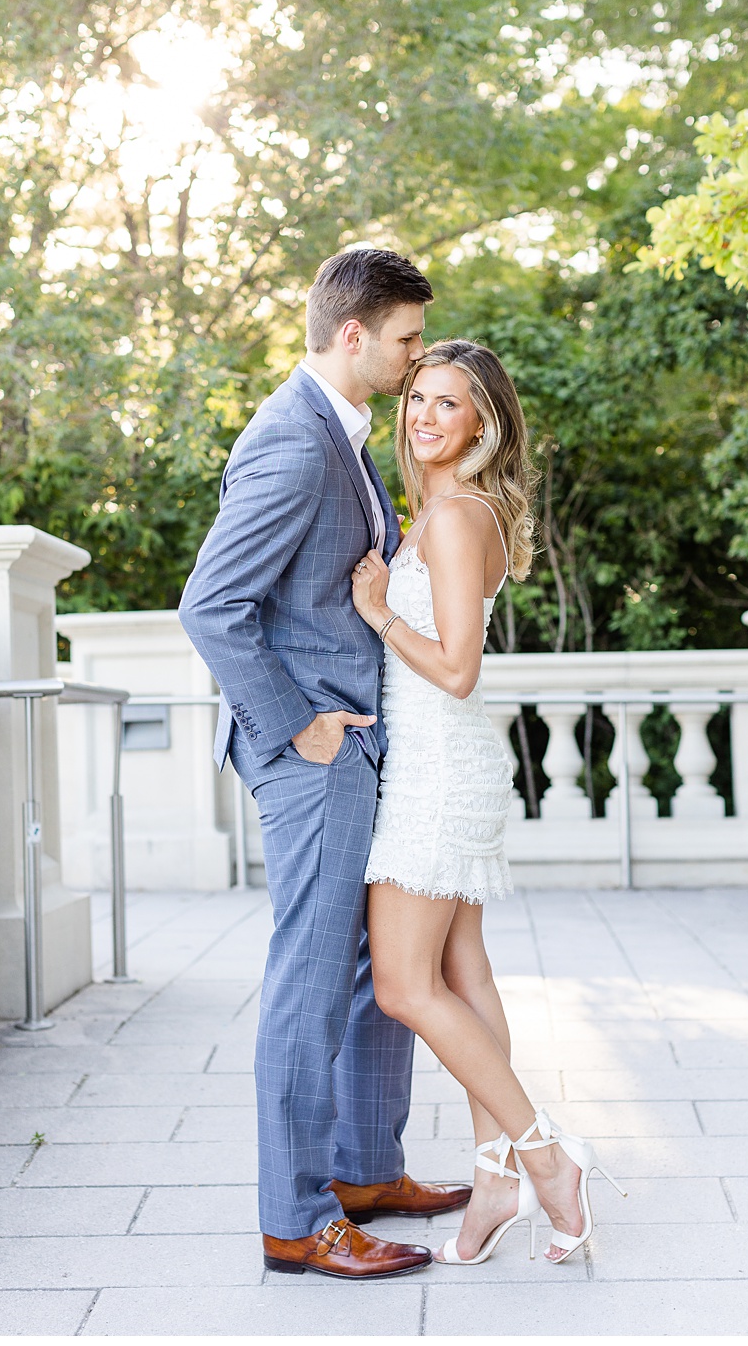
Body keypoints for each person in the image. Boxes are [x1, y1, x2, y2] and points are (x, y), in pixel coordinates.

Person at [178, 249, 473, 1281]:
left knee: (361, 965)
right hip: (315, 752)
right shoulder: (295, 445)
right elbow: (209, 606)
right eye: (404, 338)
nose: (414, 355)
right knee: (310, 975)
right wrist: (296, 725)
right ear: (353, 334)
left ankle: (365, 1168)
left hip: (359, 743)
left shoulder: (336, 435)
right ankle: (298, 1218)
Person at [350, 339, 627, 1267]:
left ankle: (546, 1160)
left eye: (448, 404)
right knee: (462, 974)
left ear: (483, 422)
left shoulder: (458, 516)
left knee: (403, 984)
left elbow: (458, 671)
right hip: (445, 766)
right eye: (416, 399)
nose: (424, 416)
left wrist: (380, 610)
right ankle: (497, 1178)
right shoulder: (447, 508)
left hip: (437, 773)